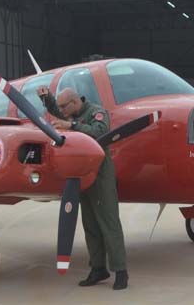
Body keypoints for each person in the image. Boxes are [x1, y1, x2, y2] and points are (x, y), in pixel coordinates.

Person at [38, 85, 129, 290]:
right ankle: (98, 268)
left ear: (75, 102)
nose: (62, 111)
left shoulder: (96, 112)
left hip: (100, 176)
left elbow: (100, 131)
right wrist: (47, 99)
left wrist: (71, 126)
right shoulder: (71, 112)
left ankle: (121, 271)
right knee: (90, 225)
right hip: (82, 176)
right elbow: (57, 112)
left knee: (109, 224)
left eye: (64, 106)